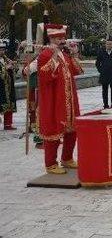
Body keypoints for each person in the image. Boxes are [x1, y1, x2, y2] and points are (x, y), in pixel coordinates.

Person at [37, 24, 83, 174]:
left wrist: (74, 55)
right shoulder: (45, 55)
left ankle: (67, 158)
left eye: (63, 37)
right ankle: (50, 164)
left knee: (72, 129)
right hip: (54, 99)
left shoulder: (66, 54)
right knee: (54, 129)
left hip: (69, 99)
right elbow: (44, 77)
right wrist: (55, 57)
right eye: (58, 38)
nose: (62, 40)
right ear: (51, 38)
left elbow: (77, 71)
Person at [95, 39, 112, 109]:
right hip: (104, 74)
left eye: (110, 44)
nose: (108, 45)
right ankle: (105, 104)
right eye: (107, 44)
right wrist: (100, 70)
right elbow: (97, 63)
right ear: (105, 45)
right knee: (104, 91)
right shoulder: (101, 52)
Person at [0, 43, 17, 130]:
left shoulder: (5, 59)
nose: (2, 51)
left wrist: (13, 65)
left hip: (8, 85)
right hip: (1, 87)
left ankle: (8, 124)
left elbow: (15, 69)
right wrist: (5, 68)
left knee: (10, 104)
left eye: (3, 50)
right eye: (0, 50)